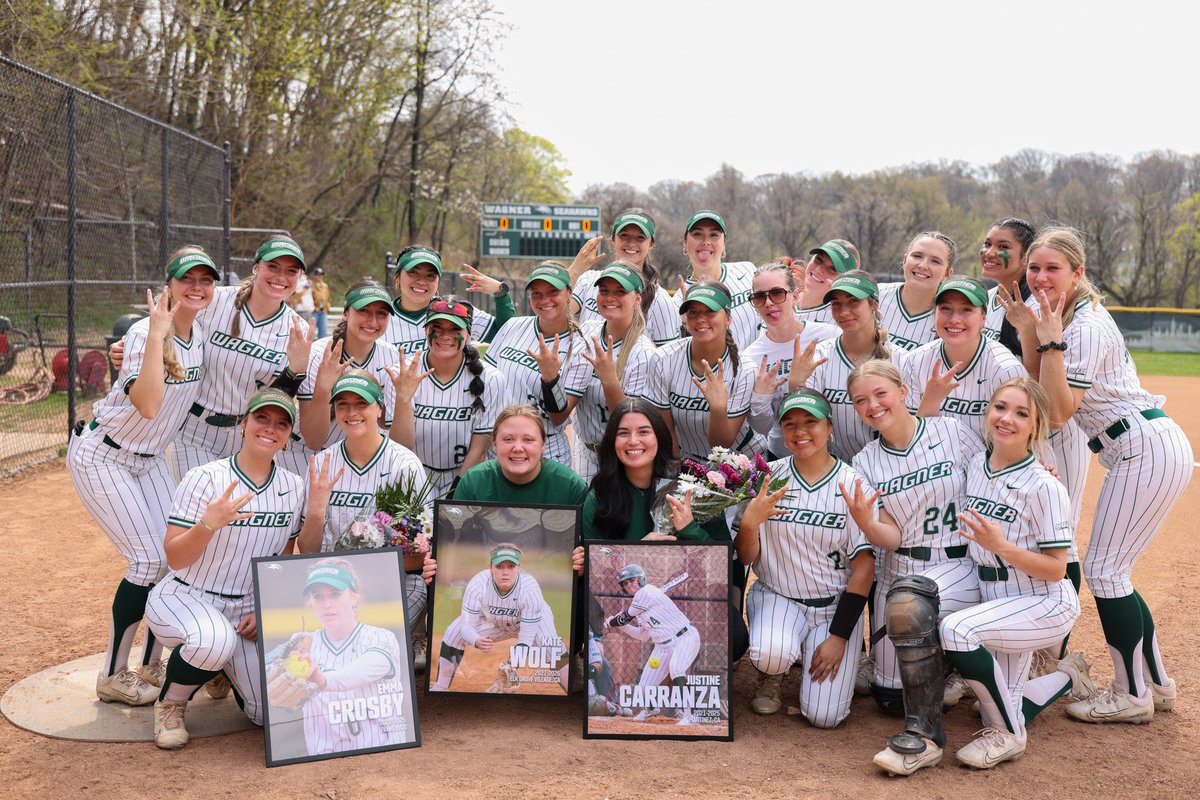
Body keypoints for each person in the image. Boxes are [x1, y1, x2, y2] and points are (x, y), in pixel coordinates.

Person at [1000, 227, 1194, 723]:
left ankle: (1131, 695)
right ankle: (1156, 683)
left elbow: (1058, 412)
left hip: (1141, 448)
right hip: (1137, 447)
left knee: (1106, 573)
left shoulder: (1082, 325)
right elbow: (1040, 388)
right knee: (1115, 573)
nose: (1040, 277)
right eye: (1035, 269)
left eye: (1053, 269)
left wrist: (1050, 342)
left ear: (1078, 273)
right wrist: (1029, 331)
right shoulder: (1064, 317)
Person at [878, 378, 1084, 771]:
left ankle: (1010, 735)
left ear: (1037, 425)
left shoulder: (1044, 486)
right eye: (1001, 407)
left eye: (1022, 413)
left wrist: (1002, 545)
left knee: (959, 632)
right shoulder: (977, 464)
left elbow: (1058, 569)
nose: (1007, 419)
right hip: (989, 589)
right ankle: (1069, 676)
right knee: (911, 599)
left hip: (1040, 600)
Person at [68, 247, 220, 705]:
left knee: (177, 557)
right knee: (148, 561)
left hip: (150, 459)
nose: (196, 287)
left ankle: (154, 662)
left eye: (205, 280)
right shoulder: (142, 333)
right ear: (168, 284)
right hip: (106, 455)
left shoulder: (203, 331)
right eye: (186, 279)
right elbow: (149, 404)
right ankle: (114, 674)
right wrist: (155, 336)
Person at [143, 388, 310, 749]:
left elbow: (283, 555)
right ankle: (171, 702)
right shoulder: (205, 477)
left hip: (246, 607)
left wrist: (266, 606)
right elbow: (174, 557)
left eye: (281, 423)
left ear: (288, 437)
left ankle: (218, 670)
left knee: (269, 714)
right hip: (186, 594)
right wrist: (207, 525)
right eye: (261, 418)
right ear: (243, 423)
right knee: (212, 642)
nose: (270, 428)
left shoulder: (293, 486)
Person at [843, 361, 984, 718]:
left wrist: (1039, 467)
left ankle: (953, 659)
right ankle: (942, 661)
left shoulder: (950, 431)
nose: (873, 406)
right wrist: (867, 523)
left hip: (955, 563)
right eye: (861, 400)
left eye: (880, 394)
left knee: (913, 611)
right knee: (890, 698)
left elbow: (991, 475)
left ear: (903, 391)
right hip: (899, 571)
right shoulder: (865, 462)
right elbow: (890, 538)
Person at [981, 217, 1089, 667]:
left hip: (1054, 433)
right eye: (986, 243)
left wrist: (1028, 328)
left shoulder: (1049, 303)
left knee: (1060, 538)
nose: (990, 251)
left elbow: (1047, 391)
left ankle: (1051, 650)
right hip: (1010, 429)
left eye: (1002, 246)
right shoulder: (988, 300)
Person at [734, 390, 875, 728]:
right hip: (778, 596)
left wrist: (839, 636)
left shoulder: (853, 483)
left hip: (833, 606)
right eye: (791, 424)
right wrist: (750, 523)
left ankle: (847, 651)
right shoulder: (767, 478)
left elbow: (865, 568)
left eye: (810, 422)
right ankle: (772, 675)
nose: (800, 432)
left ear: (830, 428)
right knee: (770, 654)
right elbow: (746, 556)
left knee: (824, 717)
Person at [579, 398, 750, 663]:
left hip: (685, 596)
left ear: (659, 437)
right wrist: (639, 549)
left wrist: (690, 528)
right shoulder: (601, 495)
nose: (634, 441)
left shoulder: (689, 486)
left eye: (643, 432)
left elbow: (724, 559)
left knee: (735, 637)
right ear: (613, 443)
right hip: (627, 602)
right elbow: (595, 571)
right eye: (623, 433)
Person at [166, 235, 312, 478]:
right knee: (203, 505)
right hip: (193, 430)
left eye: (290, 271)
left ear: (298, 278)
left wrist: (294, 372)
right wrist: (131, 344)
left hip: (245, 436)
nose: (280, 277)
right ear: (256, 267)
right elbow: (169, 321)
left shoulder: (297, 328)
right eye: (272, 267)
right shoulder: (218, 301)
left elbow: (275, 399)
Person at [271, 558, 409, 755]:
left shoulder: (380, 637)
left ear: (353, 597)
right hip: (325, 761)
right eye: (318, 596)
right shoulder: (300, 645)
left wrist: (322, 679)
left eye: (335, 594)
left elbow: (360, 671)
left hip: (381, 754)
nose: (327, 604)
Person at [388, 297, 506, 497]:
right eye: (437, 327)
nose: (445, 336)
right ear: (425, 330)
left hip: (466, 476)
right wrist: (403, 399)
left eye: (455, 329)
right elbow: (401, 446)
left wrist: (455, 492)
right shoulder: (402, 374)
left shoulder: (491, 378)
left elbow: (479, 449)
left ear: (468, 334)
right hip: (413, 473)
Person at [482, 262, 591, 466]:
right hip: (500, 447)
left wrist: (550, 378)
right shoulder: (513, 326)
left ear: (569, 293)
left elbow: (559, 417)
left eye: (553, 292)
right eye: (537, 293)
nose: (545, 300)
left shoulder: (580, 348)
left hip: (547, 452)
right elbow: (485, 381)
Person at [795, 271, 907, 462]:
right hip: (835, 468)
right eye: (836, 304)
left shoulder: (902, 359)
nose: (844, 312)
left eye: (853, 301)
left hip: (893, 464)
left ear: (874, 305)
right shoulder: (819, 356)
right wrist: (795, 386)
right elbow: (805, 422)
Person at [429, 543, 568, 694]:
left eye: (511, 566)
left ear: (518, 568)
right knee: (454, 631)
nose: (505, 572)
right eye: (500, 566)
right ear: (490, 567)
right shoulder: (478, 585)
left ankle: (574, 691)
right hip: (494, 621)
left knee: (551, 647)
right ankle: (441, 687)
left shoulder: (530, 590)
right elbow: (466, 626)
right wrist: (476, 639)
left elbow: (526, 640)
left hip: (531, 621)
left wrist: (511, 668)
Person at [901, 277, 1027, 441]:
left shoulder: (1006, 369)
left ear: (983, 319)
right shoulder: (915, 361)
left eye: (966, 310)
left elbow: (1020, 440)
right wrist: (929, 402)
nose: (954, 319)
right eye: (946, 308)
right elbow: (910, 437)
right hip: (932, 461)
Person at [293, 280, 402, 470]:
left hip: (357, 457)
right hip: (305, 455)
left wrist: (403, 399)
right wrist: (323, 389)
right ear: (345, 314)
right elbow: (313, 440)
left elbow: (386, 424)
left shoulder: (391, 355)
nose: (373, 321)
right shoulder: (318, 354)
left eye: (381, 314)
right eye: (364, 311)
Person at [644, 282, 758, 462]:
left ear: (728, 318)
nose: (700, 319)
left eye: (710, 311)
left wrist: (718, 408)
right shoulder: (663, 358)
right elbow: (666, 430)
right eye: (693, 312)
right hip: (685, 459)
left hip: (739, 459)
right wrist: (675, 466)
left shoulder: (745, 369)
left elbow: (721, 445)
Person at [570, 264, 658, 483]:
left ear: (637, 298)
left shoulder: (643, 352)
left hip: (624, 458)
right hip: (585, 450)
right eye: (604, 291)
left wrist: (610, 381)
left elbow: (630, 422)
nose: (610, 297)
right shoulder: (588, 329)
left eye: (620, 292)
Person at [745, 260, 838, 459]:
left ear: (795, 296)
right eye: (760, 297)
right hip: (780, 457)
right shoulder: (751, 357)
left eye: (777, 293)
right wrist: (760, 399)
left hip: (828, 455)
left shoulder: (827, 336)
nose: (769, 303)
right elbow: (764, 427)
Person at [604, 563, 705, 725]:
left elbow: (624, 617)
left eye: (632, 581)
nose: (629, 585)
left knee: (677, 668)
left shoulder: (646, 592)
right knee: (645, 686)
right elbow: (643, 636)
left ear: (641, 579)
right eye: (626, 583)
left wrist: (612, 622)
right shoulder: (641, 607)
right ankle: (650, 709)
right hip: (663, 646)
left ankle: (690, 715)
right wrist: (623, 626)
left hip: (684, 637)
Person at [568, 208, 682, 345]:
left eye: (640, 237)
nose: (631, 243)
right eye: (624, 236)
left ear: (651, 244)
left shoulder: (660, 300)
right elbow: (555, 318)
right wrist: (574, 271)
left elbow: (668, 361)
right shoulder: (589, 280)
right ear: (613, 240)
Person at [384, 245, 514, 355]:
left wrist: (500, 292)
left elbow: (505, 334)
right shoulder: (379, 316)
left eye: (430, 275)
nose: (421, 281)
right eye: (413, 272)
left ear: (438, 282)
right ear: (397, 277)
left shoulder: (455, 310)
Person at [452, 403, 588, 506]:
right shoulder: (473, 482)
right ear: (494, 443)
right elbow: (455, 541)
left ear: (543, 444)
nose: (518, 448)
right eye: (508, 439)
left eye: (528, 440)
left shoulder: (570, 486)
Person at [678, 210, 759, 349]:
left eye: (714, 235)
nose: (706, 242)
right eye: (697, 234)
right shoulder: (678, 301)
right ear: (685, 243)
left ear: (724, 244)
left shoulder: (748, 270)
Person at [877, 232, 956, 351]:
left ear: (947, 273)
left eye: (935, 261)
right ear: (904, 260)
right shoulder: (875, 295)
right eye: (917, 256)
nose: (923, 265)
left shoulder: (952, 317)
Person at [792, 239, 861, 325]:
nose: (819, 269)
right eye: (818, 260)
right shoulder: (780, 295)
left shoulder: (840, 321)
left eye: (833, 269)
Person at [310, 267, 331, 338]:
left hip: (323, 311)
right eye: (318, 275)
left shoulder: (325, 286)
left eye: (321, 274)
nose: (320, 276)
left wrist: (328, 307)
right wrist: (313, 307)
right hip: (314, 311)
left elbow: (328, 297)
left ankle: (321, 349)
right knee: (311, 332)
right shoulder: (310, 286)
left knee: (323, 333)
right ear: (314, 276)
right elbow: (308, 298)